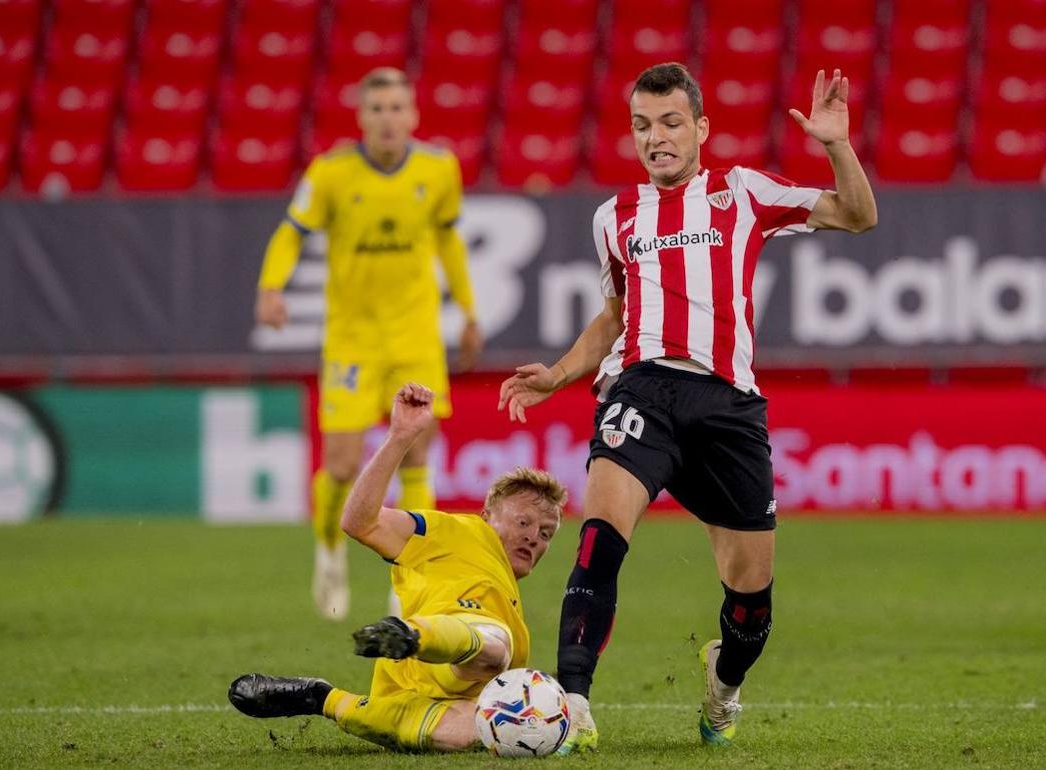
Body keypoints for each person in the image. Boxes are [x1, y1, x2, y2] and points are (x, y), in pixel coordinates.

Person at [498, 63, 877, 752]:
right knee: (599, 537)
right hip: (641, 389)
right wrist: (557, 373)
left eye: (671, 122)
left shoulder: (741, 193)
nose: (656, 138)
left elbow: (858, 215)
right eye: (642, 126)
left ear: (701, 128)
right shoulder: (614, 218)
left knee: (751, 597)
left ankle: (723, 685)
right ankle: (571, 702)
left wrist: (835, 144)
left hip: (729, 404)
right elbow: (616, 314)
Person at [256, 67, 483, 620]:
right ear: (361, 117)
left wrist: (469, 310)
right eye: (376, 108)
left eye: (396, 107)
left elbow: (449, 238)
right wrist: (270, 288)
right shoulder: (332, 173)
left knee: (419, 450)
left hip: (415, 335)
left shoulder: (439, 168)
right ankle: (330, 548)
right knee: (339, 466)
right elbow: (292, 231)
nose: (387, 118)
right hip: (352, 342)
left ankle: (411, 577)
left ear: (413, 115)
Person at [228, 383, 566, 752]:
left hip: (423, 694)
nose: (535, 538)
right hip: (432, 647)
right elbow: (360, 522)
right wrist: (399, 437)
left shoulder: (511, 604)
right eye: (523, 523)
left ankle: (323, 698)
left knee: (482, 733)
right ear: (486, 516)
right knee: (496, 647)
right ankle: (414, 635)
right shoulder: (457, 531)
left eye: (546, 533)